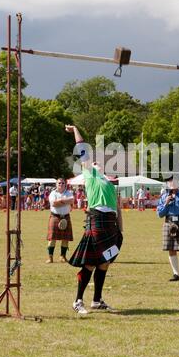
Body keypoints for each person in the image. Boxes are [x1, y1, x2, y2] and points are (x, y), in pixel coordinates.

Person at [65, 124, 123, 315]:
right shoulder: (90, 174)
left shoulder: (110, 183)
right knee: (90, 262)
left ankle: (97, 300)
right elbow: (82, 149)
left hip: (110, 222)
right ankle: (77, 301)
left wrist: (120, 230)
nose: (96, 162)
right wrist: (74, 129)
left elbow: (118, 209)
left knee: (105, 261)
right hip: (97, 218)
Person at [46, 178, 74, 263]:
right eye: (59, 183)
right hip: (55, 217)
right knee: (52, 238)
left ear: (65, 184)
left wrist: (60, 201)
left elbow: (72, 200)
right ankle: (50, 257)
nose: (61, 184)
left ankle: (63, 256)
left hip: (66, 217)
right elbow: (54, 203)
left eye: (62, 183)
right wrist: (66, 201)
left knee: (65, 238)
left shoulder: (69, 193)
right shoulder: (53, 193)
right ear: (56, 184)